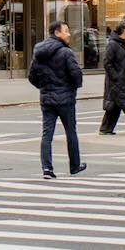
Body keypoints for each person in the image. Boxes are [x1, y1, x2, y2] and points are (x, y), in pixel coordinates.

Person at [28, 21, 86, 179]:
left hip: (47, 98)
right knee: (71, 132)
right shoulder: (66, 52)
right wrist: (73, 87)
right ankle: (74, 166)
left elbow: (32, 76)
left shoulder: (39, 52)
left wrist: (44, 87)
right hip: (66, 99)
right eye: (66, 31)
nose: (69, 34)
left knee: (47, 134)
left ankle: (47, 168)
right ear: (57, 33)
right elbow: (76, 75)